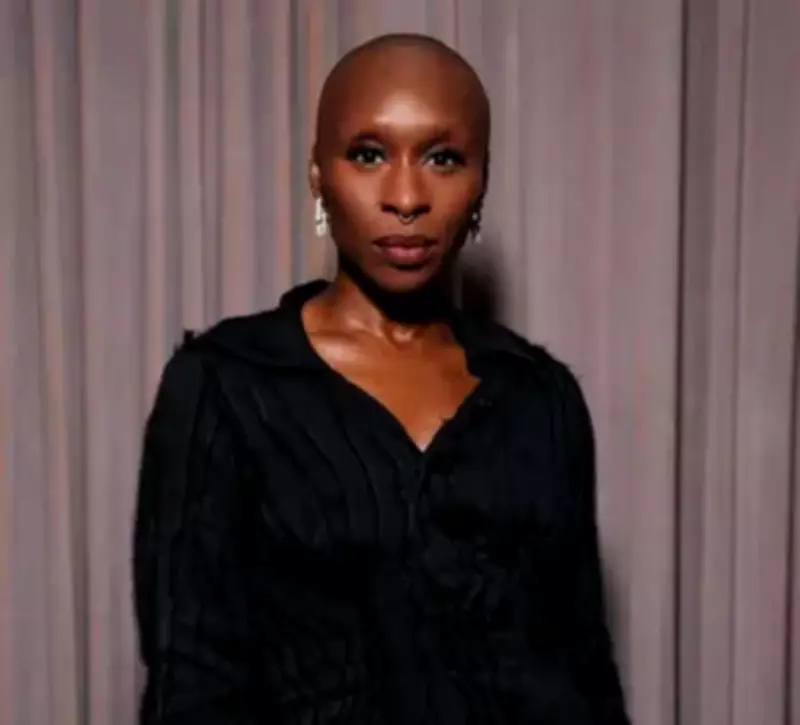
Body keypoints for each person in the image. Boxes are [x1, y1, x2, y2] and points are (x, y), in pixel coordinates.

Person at [133, 32, 630, 725]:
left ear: (481, 181)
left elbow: (583, 670)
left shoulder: (540, 398)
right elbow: (191, 684)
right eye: (368, 154)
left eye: (443, 158)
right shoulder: (224, 387)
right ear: (318, 176)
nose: (406, 196)